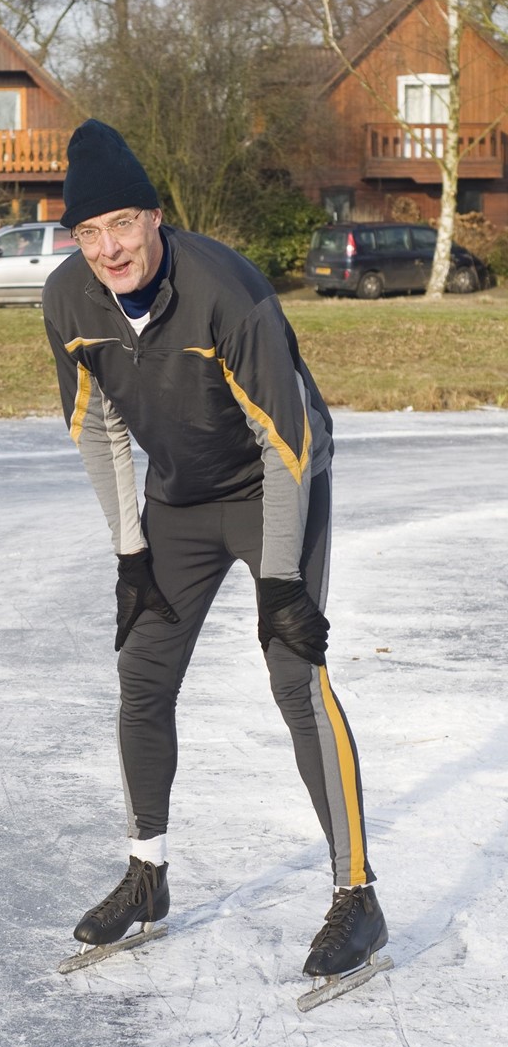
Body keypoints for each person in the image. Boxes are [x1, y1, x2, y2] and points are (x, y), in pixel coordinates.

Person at [42, 119, 388, 984]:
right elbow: (97, 425)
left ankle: (357, 893)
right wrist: (130, 553)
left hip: (275, 481)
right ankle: (147, 873)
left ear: (155, 217)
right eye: (89, 233)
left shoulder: (225, 290)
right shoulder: (69, 301)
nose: (109, 248)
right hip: (182, 499)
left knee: (293, 672)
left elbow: (288, 441)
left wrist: (280, 585)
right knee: (143, 673)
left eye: (122, 224)